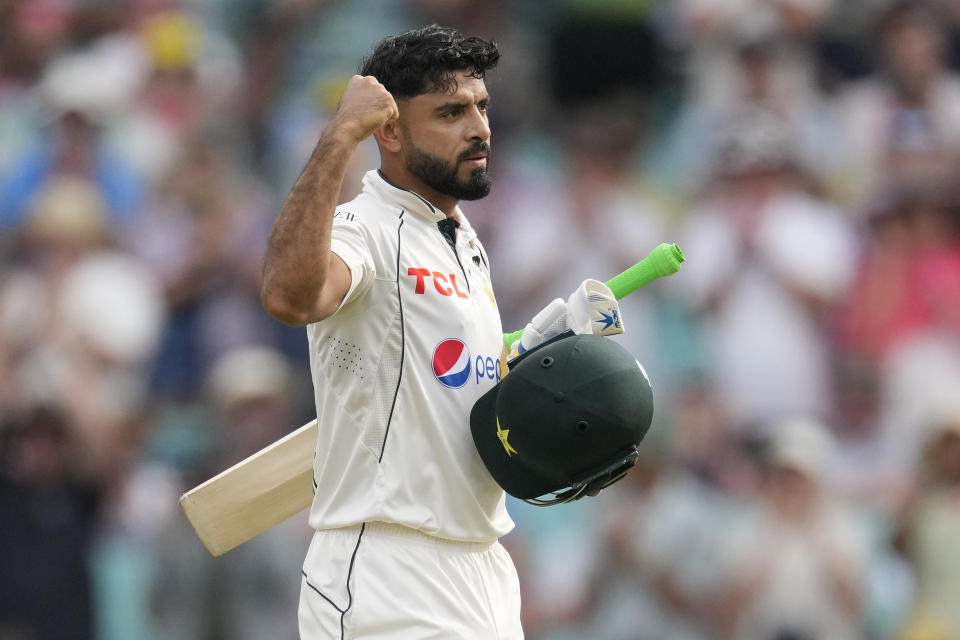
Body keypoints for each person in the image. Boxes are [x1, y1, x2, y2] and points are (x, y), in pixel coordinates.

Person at [259, 25, 629, 639]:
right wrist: (338, 136)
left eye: (482, 108)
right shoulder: (365, 228)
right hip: (385, 570)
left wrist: (541, 361)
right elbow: (288, 295)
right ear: (391, 131)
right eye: (452, 113)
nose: (480, 128)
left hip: (481, 565)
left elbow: (452, 391)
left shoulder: (462, 242)